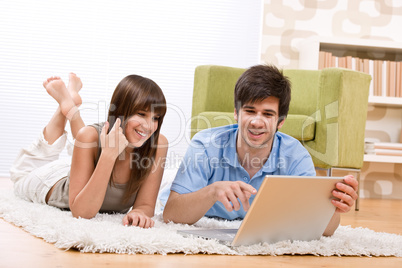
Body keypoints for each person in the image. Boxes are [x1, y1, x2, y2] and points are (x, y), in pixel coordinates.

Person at [162, 64, 358, 236]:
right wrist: (213, 191)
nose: (257, 122)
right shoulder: (205, 145)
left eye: (268, 114)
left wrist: (334, 206)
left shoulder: (296, 155)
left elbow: (325, 229)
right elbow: (172, 214)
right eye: (249, 111)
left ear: (280, 121)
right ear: (236, 113)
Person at [10, 73, 168, 228]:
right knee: (27, 166)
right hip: (49, 180)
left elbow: (146, 205)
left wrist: (140, 212)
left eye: (156, 118)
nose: (149, 126)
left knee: (87, 141)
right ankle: (65, 107)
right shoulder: (89, 136)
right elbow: (82, 213)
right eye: (141, 114)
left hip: (80, 170)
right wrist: (108, 155)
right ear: (120, 110)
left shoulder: (158, 144)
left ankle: (70, 107)